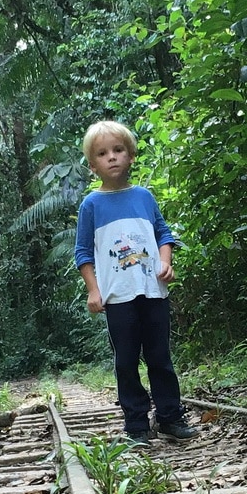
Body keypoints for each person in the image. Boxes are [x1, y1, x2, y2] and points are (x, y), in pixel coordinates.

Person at [75, 120, 197, 445]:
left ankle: (170, 417)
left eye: (118, 150)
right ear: (93, 165)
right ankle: (136, 425)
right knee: (126, 361)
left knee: (160, 357)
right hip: (118, 298)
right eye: (102, 153)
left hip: (153, 292)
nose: (111, 157)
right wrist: (93, 289)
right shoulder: (91, 206)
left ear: (130, 156)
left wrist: (166, 262)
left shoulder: (144, 197)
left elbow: (163, 234)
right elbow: (83, 252)